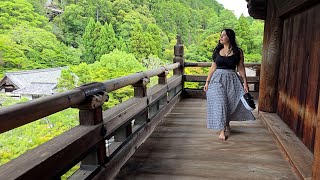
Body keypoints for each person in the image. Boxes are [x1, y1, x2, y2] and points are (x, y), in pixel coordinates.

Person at [204, 29, 255, 141]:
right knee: (221, 102)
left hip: (232, 79)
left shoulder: (238, 51)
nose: (220, 38)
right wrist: (207, 81)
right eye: (220, 36)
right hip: (217, 80)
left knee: (230, 102)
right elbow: (213, 67)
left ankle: (226, 122)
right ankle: (222, 130)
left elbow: (241, 68)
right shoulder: (217, 50)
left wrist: (245, 83)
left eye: (223, 35)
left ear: (230, 37)